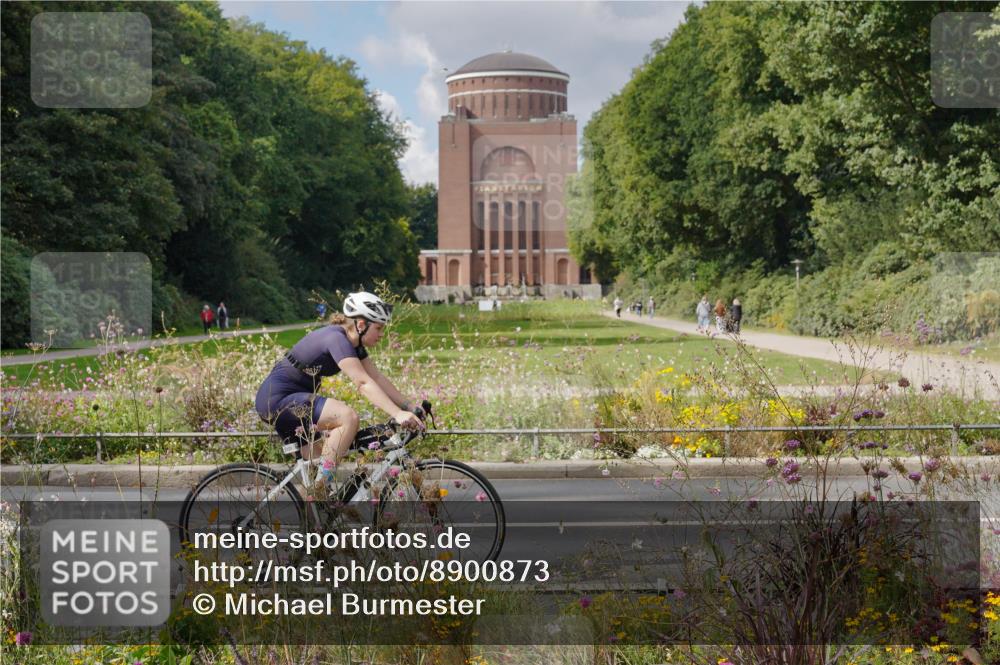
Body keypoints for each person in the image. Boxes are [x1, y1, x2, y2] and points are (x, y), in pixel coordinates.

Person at [254, 291, 424, 498]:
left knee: (322, 461)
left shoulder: (354, 345)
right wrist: (397, 414)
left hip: (292, 402)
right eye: (379, 328)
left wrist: (408, 406)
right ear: (361, 325)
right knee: (348, 417)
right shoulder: (336, 338)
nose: (381, 334)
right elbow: (362, 382)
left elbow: (376, 378)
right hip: (278, 400)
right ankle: (318, 495)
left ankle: (314, 515)